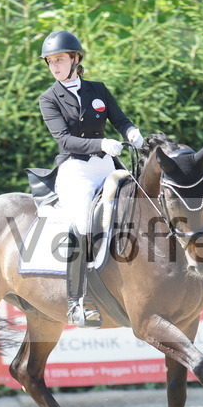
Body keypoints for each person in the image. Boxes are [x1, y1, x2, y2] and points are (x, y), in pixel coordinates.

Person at [37, 30, 145, 328]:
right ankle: (76, 302)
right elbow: (64, 140)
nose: (55, 66)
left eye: (59, 59)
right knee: (82, 225)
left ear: (76, 59)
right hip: (76, 171)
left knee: (138, 209)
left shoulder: (97, 89)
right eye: (50, 62)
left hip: (107, 165)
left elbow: (119, 119)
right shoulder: (48, 99)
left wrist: (132, 133)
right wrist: (100, 144)